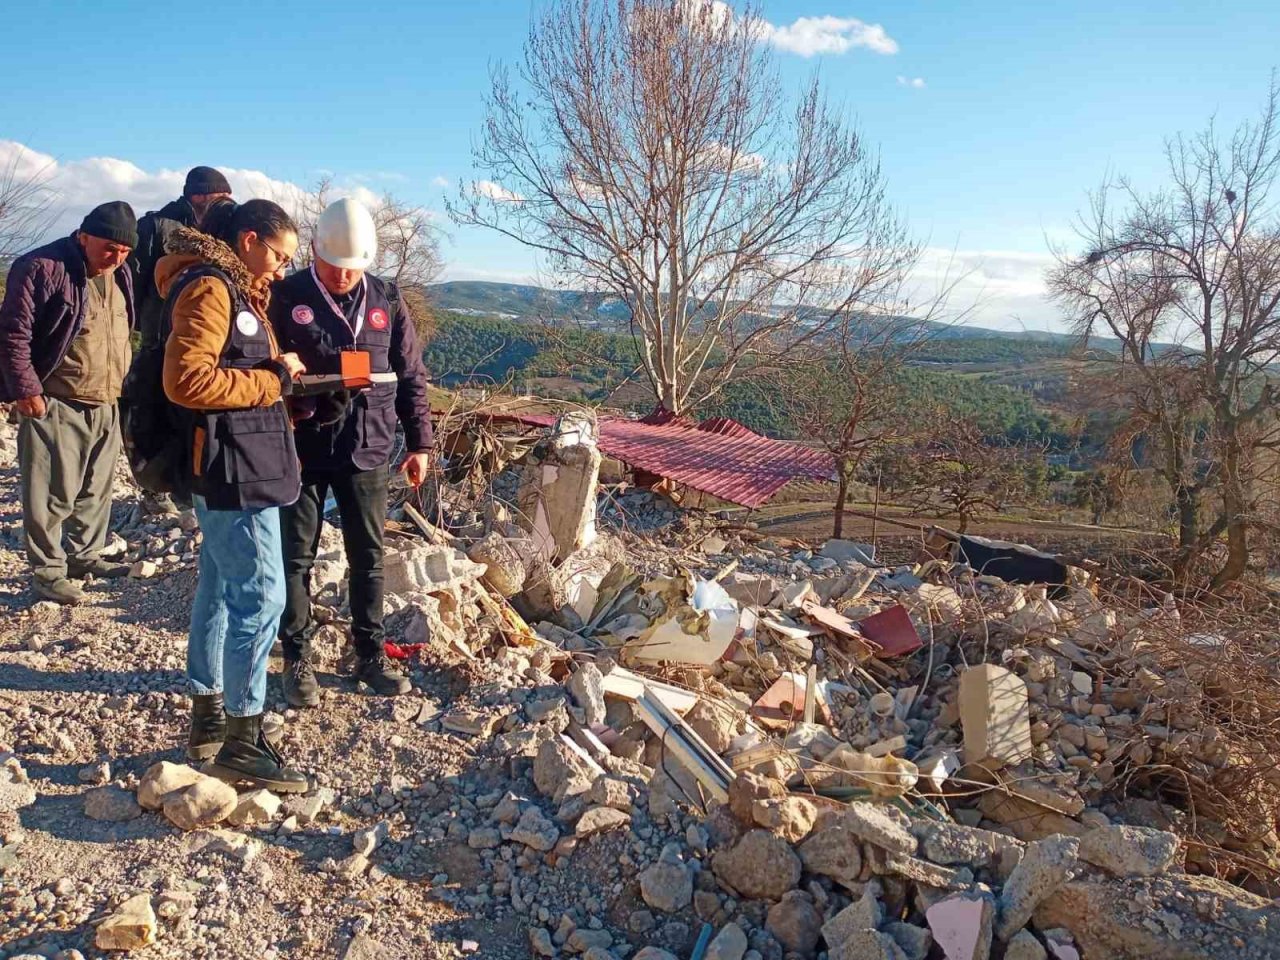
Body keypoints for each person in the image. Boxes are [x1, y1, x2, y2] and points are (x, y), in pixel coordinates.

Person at [158, 198, 309, 791]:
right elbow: (187, 380)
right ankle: (243, 740)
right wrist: (271, 379)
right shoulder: (212, 289)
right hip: (233, 467)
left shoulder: (232, 287)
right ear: (248, 239)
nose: (278, 268)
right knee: (262, 598)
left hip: (232, 460)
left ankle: (209, 715)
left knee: (219, 589)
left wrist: (278, 375)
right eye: (277, 254)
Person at [269, 197, 434, 707]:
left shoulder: (386, 299)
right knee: (295, 557)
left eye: (351, 268)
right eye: (332, 267)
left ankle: (369, 653)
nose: (342, 277)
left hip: (370, 447)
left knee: (369, 556)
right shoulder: (283, 295)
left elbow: (410, 375)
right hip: (302, 448)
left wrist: (420, 441)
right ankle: (296, 658)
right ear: (315, 252)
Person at [0, 202, 138, 604]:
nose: (116, 257)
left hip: (106, 399)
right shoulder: (41, 267)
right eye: (110, 247)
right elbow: (13, 335)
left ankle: (84, 557)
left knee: (95, 490)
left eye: (125, 251)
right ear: (84, 236)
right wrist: (27, 391)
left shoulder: (120, 273)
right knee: (51, 494)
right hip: (56, 401)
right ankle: (48, 573)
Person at [129, 166, 233, 347]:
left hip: (208, 329)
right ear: (197, 196)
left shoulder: (222, 228)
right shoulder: (156, 226)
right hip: (160, 333)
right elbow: (133, 281)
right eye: (221, 196)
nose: (227, 202)